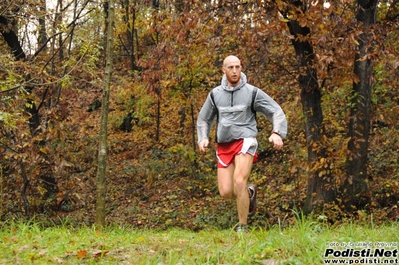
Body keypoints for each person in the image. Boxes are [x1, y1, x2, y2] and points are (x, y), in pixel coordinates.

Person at [197, 55, 287, 232]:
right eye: (230, 67)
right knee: (226, 192)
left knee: (239, 181)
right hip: (224, 145)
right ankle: (249, 193)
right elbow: (203, 119)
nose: (235, 71)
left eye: (237, 67)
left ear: (241, 68)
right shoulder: (215, 94)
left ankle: (242, 226)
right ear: (223, 70)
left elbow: (275, 110)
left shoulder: (252, 92)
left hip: (246, 139)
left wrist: (277, 132)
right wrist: (203, 137)